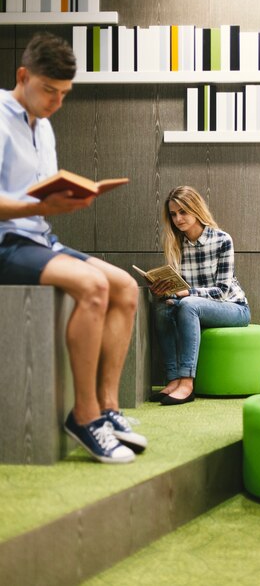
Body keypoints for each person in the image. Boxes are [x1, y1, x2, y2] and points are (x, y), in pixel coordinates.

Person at [0, 32, 147, 464]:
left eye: (64, 94)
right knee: (92, 286)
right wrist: (41, 204)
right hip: (7, 243)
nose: (56, 103)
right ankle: (83, 416)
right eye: (49, 91)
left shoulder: (43, 128)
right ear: (22, 75)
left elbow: (38, 199)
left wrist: (61, 200)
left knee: (123, 287)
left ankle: (107, 407)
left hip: (39, 239)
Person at [151, 185, 251, 405]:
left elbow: (222, 291)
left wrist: (186, 293)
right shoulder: (176, 243)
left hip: (234, 308)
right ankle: (173, 378)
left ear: (195, 209)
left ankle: (187, 382)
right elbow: (178, 289)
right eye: (173, 214)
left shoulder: (222, 240)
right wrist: (164, 290)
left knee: (188, 304)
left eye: (183, 212)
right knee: (162, 305)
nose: (178, 219)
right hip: (194, 304)